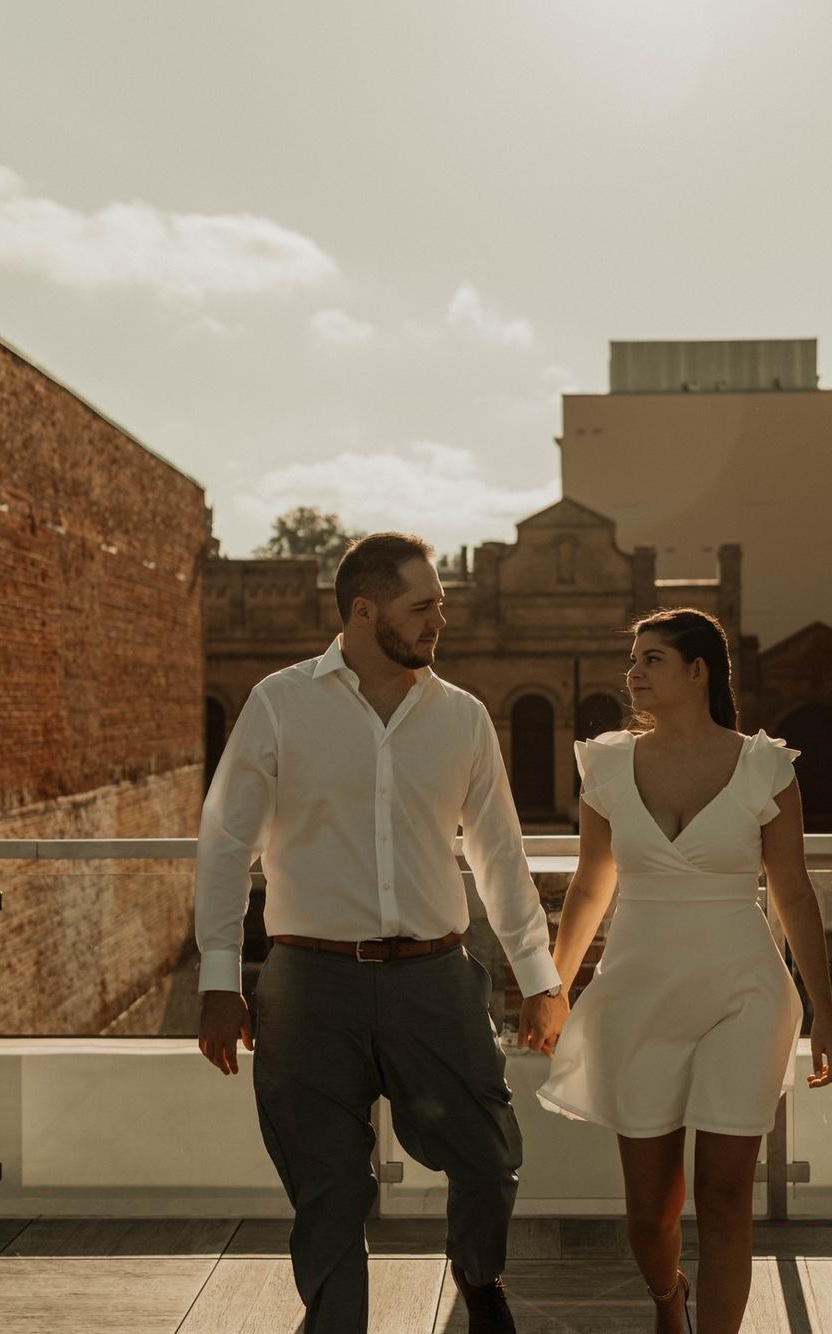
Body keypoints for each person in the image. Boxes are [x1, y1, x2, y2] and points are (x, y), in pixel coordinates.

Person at [194, 531, 569, 1334]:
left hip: (435, 980)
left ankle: (479, 1278)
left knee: (489, 1157)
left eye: (441, 604)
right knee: (327, 1189)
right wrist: (220, 979)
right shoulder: (279, 704)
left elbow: (500, 853)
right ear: (364, 613)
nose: (440, 621)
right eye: (422, 606)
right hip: (308, 985)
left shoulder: (463, 717)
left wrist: (539, 976)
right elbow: (225, 843)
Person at [535, 607, 832, 1333]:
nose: (634, 674)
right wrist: (554, 988)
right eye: (634, 660)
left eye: (653, 660)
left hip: (745, 994)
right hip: (637, 996)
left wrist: (825, 1015)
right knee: (650, 1212)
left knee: (727, 1197)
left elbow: (794, 893)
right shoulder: (606, 766)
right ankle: (667, 1297)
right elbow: (589, 885)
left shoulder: (765, 767)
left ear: (699, 671)